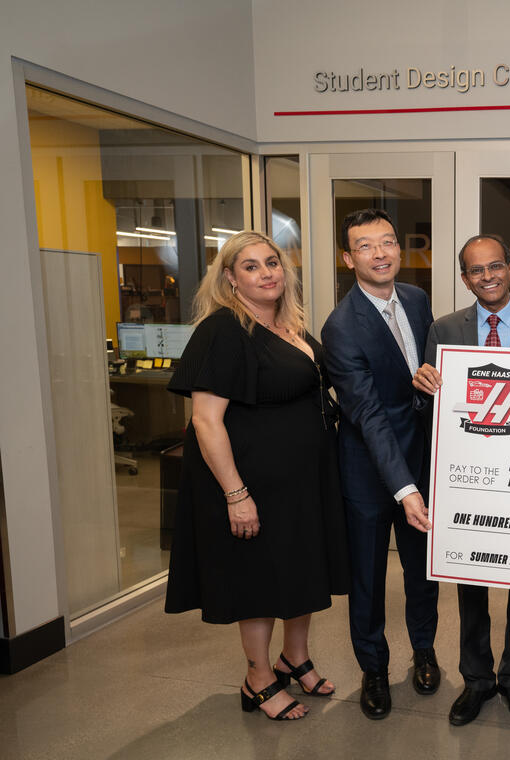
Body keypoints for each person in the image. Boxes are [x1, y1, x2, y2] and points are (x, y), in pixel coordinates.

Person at [165, 230, 349, 721]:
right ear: (230, 278)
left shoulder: (292, 326)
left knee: (300, 568)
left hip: (301, 482)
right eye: (251, 266)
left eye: (272, 262)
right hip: (254, 482)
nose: (267, 272)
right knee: (260, 578)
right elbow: (205, 420)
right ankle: (259, 676)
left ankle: (296, 657)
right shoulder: (224, 330)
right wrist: (235, 493)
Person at [412, 234, 510, 726]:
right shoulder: (443, 329)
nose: (488, 276)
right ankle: (477, 680)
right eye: (476, 271)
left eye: (495, 266)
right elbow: (431, 408)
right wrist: (422, 386)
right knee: (470, 581)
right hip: (468, 478)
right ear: (465, 279)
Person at [321, 209, 440, 720]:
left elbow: (419, 374)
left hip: (420, 458)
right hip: (370, 473)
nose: (381, 253)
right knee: (368, 578)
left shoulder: (415, 299)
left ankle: (425, 650)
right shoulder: (340, 328)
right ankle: (373, 667)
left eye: (388, 241)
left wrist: (430, 377)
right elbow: (367, 413)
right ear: (349, 258)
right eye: (365, 246)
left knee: (423, 571)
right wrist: (404, 488)